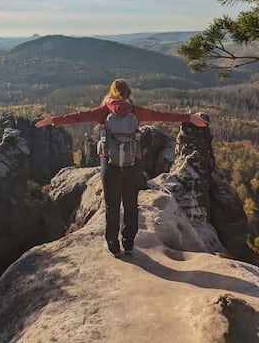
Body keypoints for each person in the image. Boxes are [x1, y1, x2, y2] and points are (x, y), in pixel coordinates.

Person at [35, 78, 208, 256]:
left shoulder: (104, 111)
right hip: (133, 163)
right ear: (128, 94)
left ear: (111, 93)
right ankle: (128, 242)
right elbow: (162, 115)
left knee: (112, 205)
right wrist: (189, 118)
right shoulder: (135, 111)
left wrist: (52, 120)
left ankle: (113, 243)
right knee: (131, 203)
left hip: (110, 163)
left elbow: (78, 116)